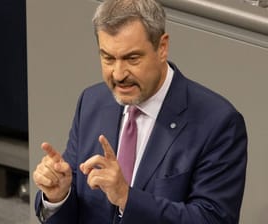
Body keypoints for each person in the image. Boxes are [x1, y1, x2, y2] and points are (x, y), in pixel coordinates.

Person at [32, 0, 248, 223]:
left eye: (131, 58)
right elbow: (79, 208)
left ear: (162, 47)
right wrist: (58, 196)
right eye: (108, 58)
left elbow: (212, 219)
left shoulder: (218, 123)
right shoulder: (92, 102)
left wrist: (127, 198)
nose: (118, 74)